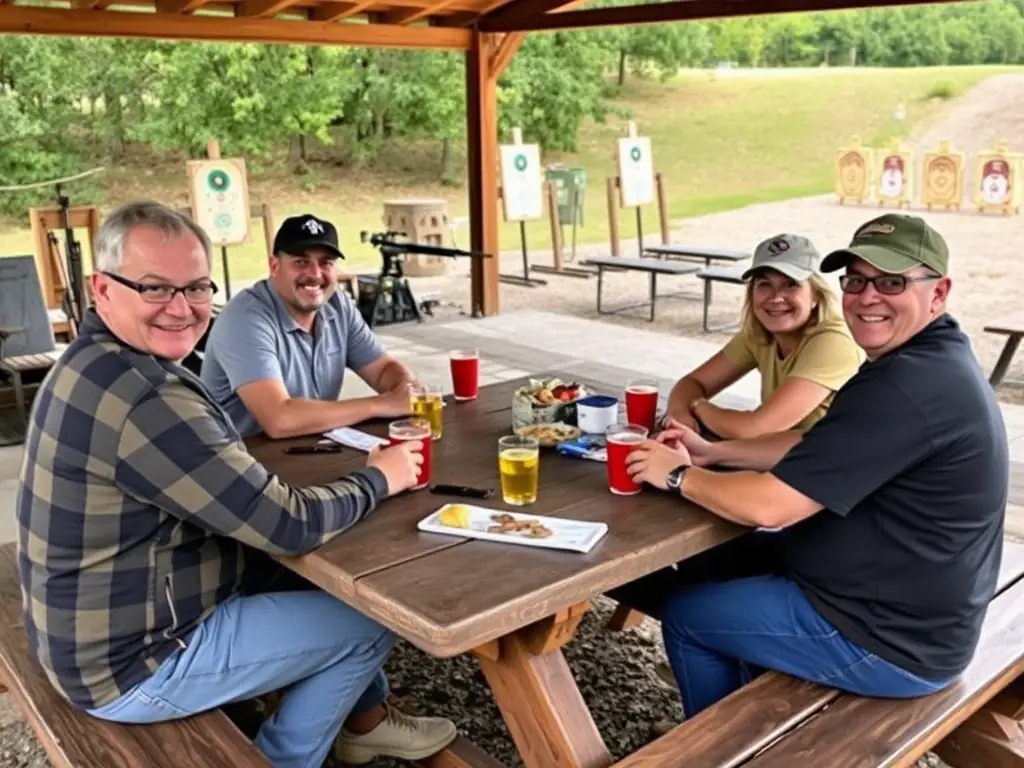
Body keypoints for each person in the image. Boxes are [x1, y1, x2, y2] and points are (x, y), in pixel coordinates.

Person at [16, 201, 458, 768]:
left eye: (196, 288)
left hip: (85, 623)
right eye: (154, 288)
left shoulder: (93, 360)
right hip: (129, 665)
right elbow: (289, 524)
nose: (181, 308)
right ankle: (282, 758)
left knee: (310, 583)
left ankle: (363, 721)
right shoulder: (150, 397)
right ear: (102, 289)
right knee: (368, 623)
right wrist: (380, 477)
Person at [626, 213, 1008, 718]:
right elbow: (818, 442)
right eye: (856, 280)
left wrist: (676, 475)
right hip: (889, 591)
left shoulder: (908, 387)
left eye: (891, 281)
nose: (868, 296)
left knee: (687, 614)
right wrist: (712, 453)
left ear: (939, 293)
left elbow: (770, 507)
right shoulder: (927, 359)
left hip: (891, 639)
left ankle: (726, 749)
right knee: (710, 562)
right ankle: (753, 692)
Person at [201, 213, 417, 439]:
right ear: (274, 266)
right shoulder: (245, 318)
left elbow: (383, 369)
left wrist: (406, 389)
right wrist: (380, 404)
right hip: (239, 460)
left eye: (326, 263)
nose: (315, 274)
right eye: (301, 262)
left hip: (310, 448)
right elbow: (279, 419)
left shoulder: (337, 304)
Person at [664, 233, 862, 440]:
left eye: (791, 284)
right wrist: (679, 415)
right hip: (781, 459)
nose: (776, 297)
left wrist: (697, 406)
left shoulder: (834, 341)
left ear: (815, 296)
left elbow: (755, 429)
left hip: (835, 466)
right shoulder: (759, 334)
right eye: (764, 284)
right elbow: (693, 382)